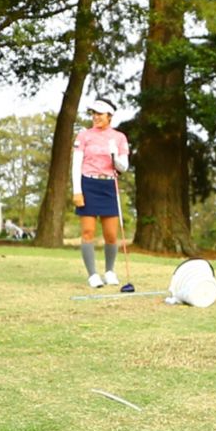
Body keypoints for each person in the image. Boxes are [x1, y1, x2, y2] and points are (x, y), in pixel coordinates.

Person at [72, 97, 131, 288]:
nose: (95, 117)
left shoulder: (120, 138)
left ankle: (109, 271)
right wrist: (77, 191)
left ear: (109, 116)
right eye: (93, 113)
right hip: (88, 183)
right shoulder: (84, 136)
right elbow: (76, 165)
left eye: (99, 114)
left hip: (108, 186)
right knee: (88, 232)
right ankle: (92, 275)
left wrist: (115, 156)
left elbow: (123, 168)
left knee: (111, 235)